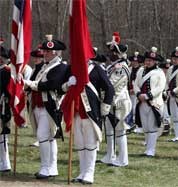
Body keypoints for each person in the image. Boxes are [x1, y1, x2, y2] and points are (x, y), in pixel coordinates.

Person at [62, 53, 114, 184]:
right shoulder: (71, 69)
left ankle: (89, 173)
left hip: (91, 112)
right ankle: (82, 171)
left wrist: (105, 107)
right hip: (75, 111)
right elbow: (61, 87)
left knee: (90, 143)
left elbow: (109, 88)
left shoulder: (96, 69)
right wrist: (68, 84)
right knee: (80, 143)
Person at [24, 34, 68, 179]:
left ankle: (46, 168)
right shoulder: (43, 66)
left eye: (48, 52)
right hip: (38, 105)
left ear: (55, 53)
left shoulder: (61, 67)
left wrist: (32, 85)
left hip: (50, 107)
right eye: (45, 51)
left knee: (43, 136)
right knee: (49, 138)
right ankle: (51, 168)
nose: (45, 54)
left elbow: (51, 85)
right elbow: (33, 81)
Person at [100, 32, 132, 167]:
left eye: (112, 51)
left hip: (119, 102)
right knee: (109, 130)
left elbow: (112, 84)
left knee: (120, 130)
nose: (109, 54)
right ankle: (110, 155)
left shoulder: (121, 68)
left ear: (118, 53)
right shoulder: (112, 66)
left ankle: (123, 159)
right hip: (110, 102)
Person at [134, 46, 166, 157]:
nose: (148, 62)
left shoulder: (159, 72)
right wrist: (138, 94)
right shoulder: (141, 70)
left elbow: (160, 87)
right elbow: (136, 84)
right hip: (141, 102)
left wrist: (148, 95)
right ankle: (147, 148)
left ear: (155, 62)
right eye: (147, 60)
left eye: (151, 60)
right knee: (146, 127)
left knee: (152, 127)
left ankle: (151, 150)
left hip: (154, 102)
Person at [0, 39, 12, 172]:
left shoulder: (7, 71)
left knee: (3, 135)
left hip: (3, 106)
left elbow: (9, 91)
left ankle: (5, 163)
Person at [127, 51, 144, 130]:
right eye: (133, 61)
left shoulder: (142, 70)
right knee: (130, 108)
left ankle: (138, 126)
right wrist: (129, 89)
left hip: (138, 92)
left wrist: (136, 90)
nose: (134, 63)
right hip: (129, 92)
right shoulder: (129, 69)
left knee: (136, 109)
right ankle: (130, 124)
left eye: (136, 62)